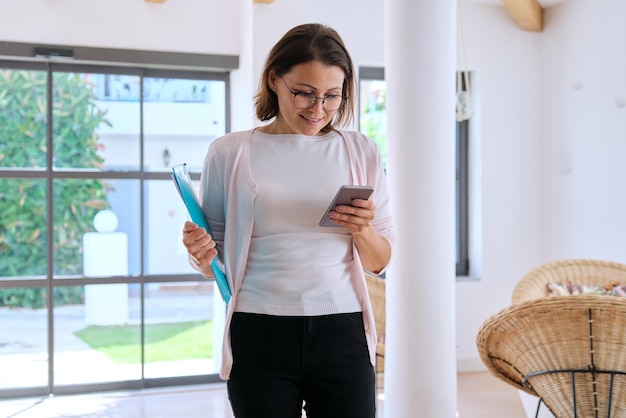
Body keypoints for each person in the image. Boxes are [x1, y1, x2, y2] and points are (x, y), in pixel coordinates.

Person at [182, 23, 395, 418]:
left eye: (332, 96)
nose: (318, 109)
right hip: (258, 328)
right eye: (304, 94)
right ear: (274, 80)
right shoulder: (230, 153)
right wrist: (199, 257)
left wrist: (362, 230)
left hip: (342, 330)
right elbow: (214, 262)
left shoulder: (360, 151)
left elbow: (379, 261)